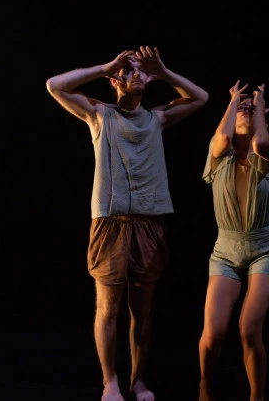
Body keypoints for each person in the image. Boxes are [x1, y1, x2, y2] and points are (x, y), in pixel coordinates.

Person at [46, 45, 209, 401]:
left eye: (141, 69)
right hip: (110, 223)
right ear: (116, 80)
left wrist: (162, 72)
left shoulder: (156, 118)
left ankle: (138, 380)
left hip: (149, 224)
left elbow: (201, 97)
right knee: (108, 308)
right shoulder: (100, 115)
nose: (137, 73)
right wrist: (105, 67)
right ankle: (110, 382)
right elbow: (54, 85)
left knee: (143, 313)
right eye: (129, 69)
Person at [198, 80, 269, 401]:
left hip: (265, 249)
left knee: (249, 330)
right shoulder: (218, 151)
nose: (246, 111)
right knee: (213, 333)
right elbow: (223, 137)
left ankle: (257, 397)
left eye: (253, 109)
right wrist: (234, 100)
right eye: (241, 109)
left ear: (263, 114)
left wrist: (257, 106)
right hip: (225, 250)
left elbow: (261, 142)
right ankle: (205, 386)